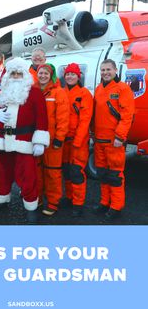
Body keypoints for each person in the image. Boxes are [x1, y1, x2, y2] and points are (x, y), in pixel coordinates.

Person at [0, 57, 49, 212]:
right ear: (7, 75)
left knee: (28, 176)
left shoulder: (35, 93)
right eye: (12, 73)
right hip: (3, 142)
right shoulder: (1, 93)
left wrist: (39, 141)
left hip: (24, 141)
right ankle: (0, 200)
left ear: (25, 75)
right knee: (1, 174)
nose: (15, 77)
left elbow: (42, 118)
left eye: (18, 74)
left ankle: (31, 206)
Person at [92, 59, 135, 220]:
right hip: (99, 140)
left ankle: (116, 206)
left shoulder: (123, 88)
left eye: (108, 69)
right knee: (102, 174)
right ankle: (104, 202)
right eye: (103, 70)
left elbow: (127, 116)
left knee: (115, 175)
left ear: (116, 70)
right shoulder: (98, 89)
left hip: (114, 141)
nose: (105, 72)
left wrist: (120, 136)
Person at [35, 63, 69, 216]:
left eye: (46, 74)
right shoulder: (34, 91)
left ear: (51, 76)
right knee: (37, 171)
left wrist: (59, 138)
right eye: (40, 73)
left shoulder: (58, 92)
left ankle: (53, 203)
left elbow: (63, 118)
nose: (42, 76)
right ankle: (38, 199)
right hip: (35, 138)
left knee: (52, 172)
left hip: (52, 140)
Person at [62, 63, 93, 217]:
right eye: (68, 74)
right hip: (64, 140)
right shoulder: (62, 92)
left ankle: (78, 203)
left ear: (78, 76)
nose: (70, 76)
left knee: (76, 172)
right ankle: (69, 197)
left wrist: (78, 140)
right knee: (66, 171)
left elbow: (85, 120)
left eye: (73, 74)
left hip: (77, 141)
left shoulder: (84, 93)